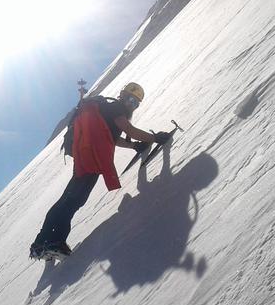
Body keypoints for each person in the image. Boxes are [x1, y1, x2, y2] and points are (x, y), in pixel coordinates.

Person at [30, 82, 172, 260]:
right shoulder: (117, 108)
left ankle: (41, 243)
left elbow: (111, 137)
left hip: (85, 156)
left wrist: (134, 146)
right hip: (92, 159)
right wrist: (155, 137)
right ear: (122, 95)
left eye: (135, 103)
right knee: (73, 201)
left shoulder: (108, 109)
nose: (130, 104)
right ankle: (53, 242)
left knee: (67, 199)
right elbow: (129, 130)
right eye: (129, 99)